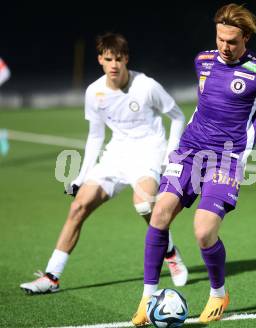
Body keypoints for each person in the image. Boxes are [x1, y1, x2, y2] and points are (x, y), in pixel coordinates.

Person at [131, 3, 256, 325]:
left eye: (232, 41)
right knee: (160, 213)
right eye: (221, 38)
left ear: (246, 38)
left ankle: (218, 293)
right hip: (190, 150)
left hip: (227, 158)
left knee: (203, 231)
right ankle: (147, 297)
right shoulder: (203, 60)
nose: (225, 46)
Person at [20, 33, 188, 294]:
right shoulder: (94, 92)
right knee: (78, 207)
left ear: (126, 59)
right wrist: (80, 176)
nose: (114, 64)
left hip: (147, 153)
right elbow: (96, 136)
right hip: (115, 156)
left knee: (144, 205)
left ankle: (170, 252)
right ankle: (52, 277)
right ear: (100, 59)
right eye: (108, 59)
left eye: (119, 59)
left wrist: (169, 156)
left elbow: (178, 117)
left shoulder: (147, 86)